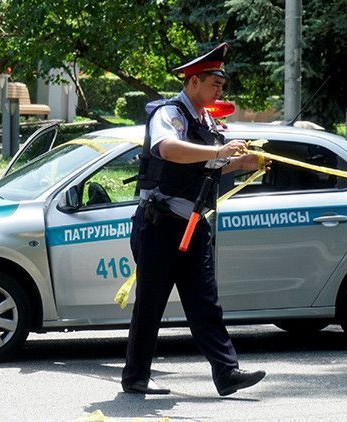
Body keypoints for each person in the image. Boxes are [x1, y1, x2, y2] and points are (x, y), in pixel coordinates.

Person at [122, 42, 266, 396]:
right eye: (214, 83)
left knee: (205, 301)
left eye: (221, 85)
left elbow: (208, 165)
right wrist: (219, 151)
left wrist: (243, 163)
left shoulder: (205, 121)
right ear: (192, 83)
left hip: (193, 224)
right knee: (151, 304)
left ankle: (226, 373)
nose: (220, 90)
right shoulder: (169, 114)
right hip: (160, 223)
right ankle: (136, 377)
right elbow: (168, 149)